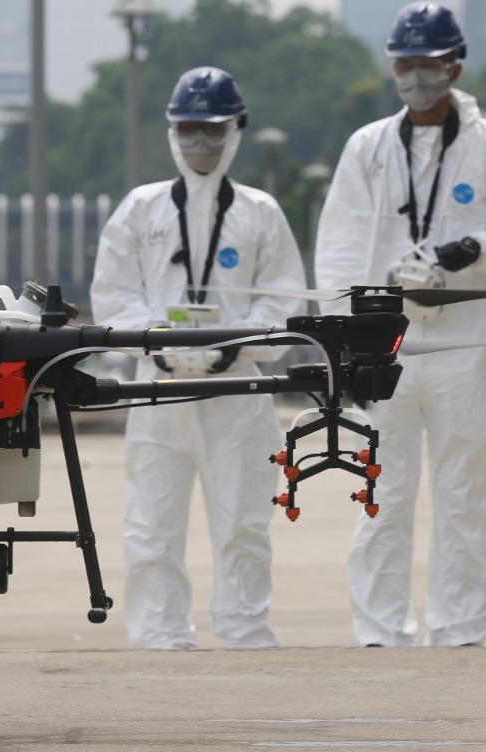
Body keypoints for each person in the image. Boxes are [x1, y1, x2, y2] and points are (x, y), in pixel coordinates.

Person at [314, 1, 486, 648]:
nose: (415, 74)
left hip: (465, 343)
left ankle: (459, 628)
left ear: (454, 64)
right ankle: (378, 629)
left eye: (427, 62)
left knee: (464, 494)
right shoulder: (366, 148)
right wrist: (343, 338)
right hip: (385, 345)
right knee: (379, 493)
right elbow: (336, 249)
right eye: (404, 62)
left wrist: (474, 250)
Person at [91, 66, 307, 649]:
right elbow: (112, 294)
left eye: (212, 130)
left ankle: (244, 632)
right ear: (170, 130)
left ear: (235, 130)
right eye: (188, 128)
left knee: (243, 522)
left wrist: (237, 340)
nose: (200, 143)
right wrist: (155, 341)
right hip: (156, 392)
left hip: (236, 392)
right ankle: (159, 637)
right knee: (151, 525)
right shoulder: (141, 209)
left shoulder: (260, 212)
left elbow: (284, 298)